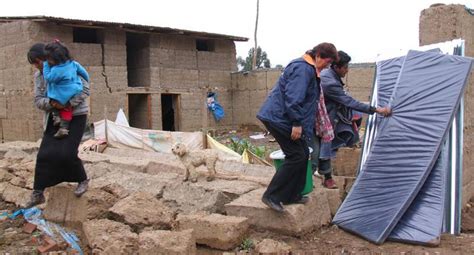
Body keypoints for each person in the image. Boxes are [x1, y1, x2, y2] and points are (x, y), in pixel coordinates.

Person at [257, 43, 338, 212]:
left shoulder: (308, 68)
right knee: (296, 156)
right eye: (327, 63)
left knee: (302, 155)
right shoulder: (303, 69)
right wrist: (296, 123)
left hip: (283, 117)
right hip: (280, 118)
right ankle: (272, 195)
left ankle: (292, 194)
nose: (327, 67)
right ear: (319, 56)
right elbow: (294, 98)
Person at [312, 51, 391, 189]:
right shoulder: (329, 82)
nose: (347, 70)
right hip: (318, 118)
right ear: (337, 67)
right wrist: (376, 110)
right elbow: (349, 102)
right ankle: (325, 177)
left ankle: (322, 174)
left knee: (324, 143)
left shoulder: (330, 76)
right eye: (345, 67)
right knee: (322, 147)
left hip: (326, 115)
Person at [25, 43, 90, 208]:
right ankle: (38, 192)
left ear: (47, 59)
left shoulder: (70, 67)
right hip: (53, 117)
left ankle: (82, 179)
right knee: (44, 155)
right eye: (35, 63)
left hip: (76, 116)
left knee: (67, 153)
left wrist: (67, 103)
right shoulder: (39, 76)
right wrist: (54, 104)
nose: (37, 66)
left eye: (38, 61)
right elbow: (38, 100)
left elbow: (85, 89)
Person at [42, 40, 89, 138]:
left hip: (61, 95)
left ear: (55, 59)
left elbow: (48, 78)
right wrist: (86, 80)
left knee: (51, 97)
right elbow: (84, 73)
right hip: (75, 90)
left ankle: (56, 117)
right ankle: (63, 128)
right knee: (67, 108)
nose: (48, 61)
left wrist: (45, 65)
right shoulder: (73, 64)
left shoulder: (56, 70)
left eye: (48, 59)